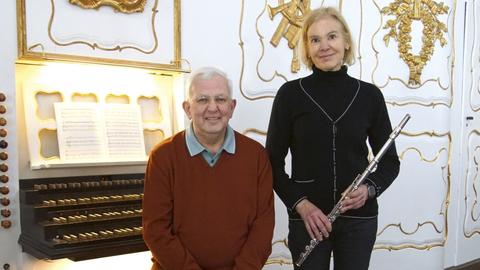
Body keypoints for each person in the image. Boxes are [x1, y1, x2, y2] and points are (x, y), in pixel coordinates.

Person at [266, 7, 400, 270]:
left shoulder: (370, 95)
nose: (324, 46)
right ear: (306, 47)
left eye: (332, 37)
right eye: (315, 40)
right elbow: (271, 163)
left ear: (346, 41)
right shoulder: (290, 95)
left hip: (359, 220)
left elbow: (390, 163)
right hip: (308, 220)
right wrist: (302, 206)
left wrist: (368, 190)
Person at [142, 67, 275, 270]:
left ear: (232, 107)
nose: (213, 108)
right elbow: (156, 231)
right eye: (203, 100)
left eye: (220, 99)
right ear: (187, 108)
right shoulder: (162, 157)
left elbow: (263, 226)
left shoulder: (256, 155)